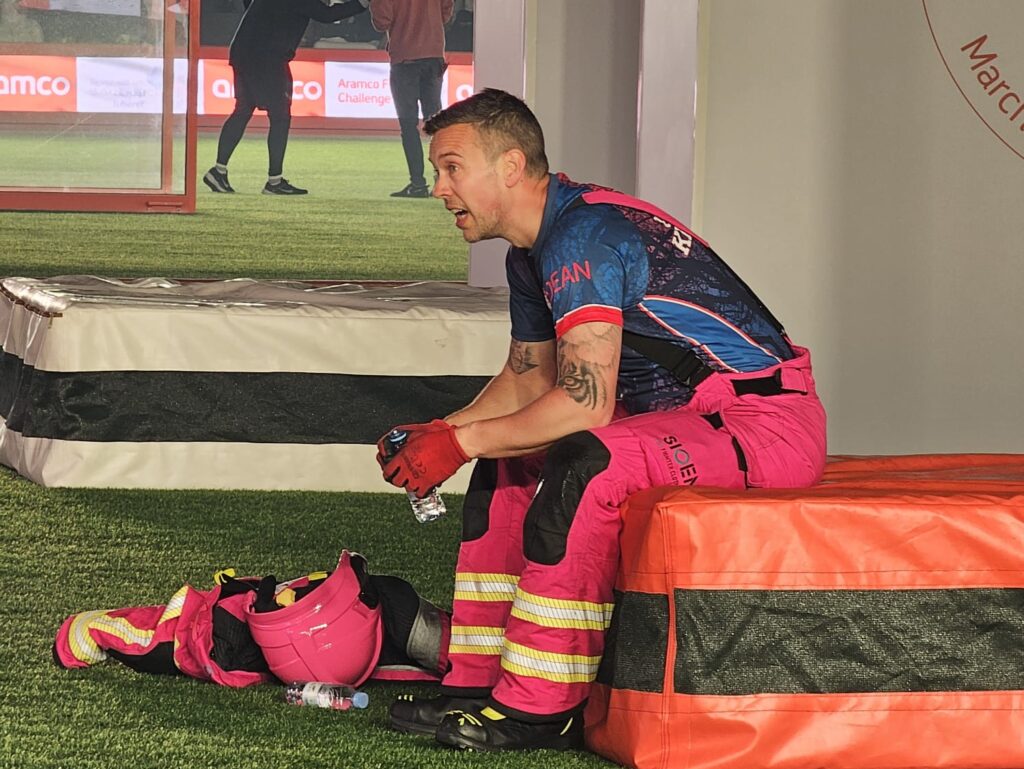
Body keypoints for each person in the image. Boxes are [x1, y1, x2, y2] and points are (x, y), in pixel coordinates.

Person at [376, 88, 828, 752]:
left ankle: (540, 707)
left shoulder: (580, 239)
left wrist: (459, 439)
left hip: (765, 423)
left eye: (451, 167)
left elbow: (585, 403)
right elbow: (530, 378)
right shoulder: (532, 251)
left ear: (510, 165)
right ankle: (476, 684)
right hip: (694, 421)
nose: (439, 188)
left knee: (587, 461)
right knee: (504, 457)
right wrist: (444, 433)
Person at [203, 0, 367, 196]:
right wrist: (361, 4)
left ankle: (219, 170)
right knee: (280, 116)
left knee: (243, 110)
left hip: (244, 50)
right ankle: (274, 181)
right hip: (267, 56)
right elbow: (326, 15)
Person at [369, 0, 453, 198]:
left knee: (408, 125)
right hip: (433, 55)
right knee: (436, 123)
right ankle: (444, 180)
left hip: (405, 58)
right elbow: (446, 13)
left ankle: (417, 183)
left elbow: (381, 21)